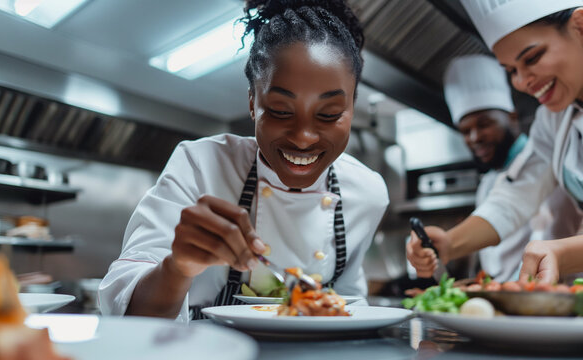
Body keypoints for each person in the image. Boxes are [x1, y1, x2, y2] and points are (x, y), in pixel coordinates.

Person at [99, 0, 388, 322]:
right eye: (280, 110)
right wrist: (178, 267)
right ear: (253, 102)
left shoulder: (368, 192)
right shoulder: (200, 166)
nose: (304, 137)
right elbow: (128, 312)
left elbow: (349, 299)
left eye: (329, 114)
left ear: (353, 107)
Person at [408, 0, 583, 284]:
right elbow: (515, 197)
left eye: (532, 58)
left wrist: (562, 252)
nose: (522, 82)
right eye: (511, 70)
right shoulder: (554, 121)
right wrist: (449, 243)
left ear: (581, 26)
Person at [442, 54, 583, 282]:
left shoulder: (552, 165)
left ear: (512, 117)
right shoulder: (489, 182)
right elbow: (505, 210)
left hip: (549, 293)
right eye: (465, 131)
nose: (475, 137)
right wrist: (449, 243)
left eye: (485, 123)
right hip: (507, 298)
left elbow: (545, 231)